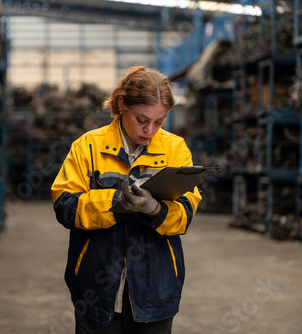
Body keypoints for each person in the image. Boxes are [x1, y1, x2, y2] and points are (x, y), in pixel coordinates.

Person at [50, 66, 202, 334]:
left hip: (156, 290)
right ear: (122, 104)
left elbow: (184, 215)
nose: (149, 130)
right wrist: (117, 202)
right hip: (96, 290)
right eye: (142, 119)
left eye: (159, 122)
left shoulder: (175, 148)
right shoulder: (88, 147)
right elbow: (65, 206)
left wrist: (153, 208)